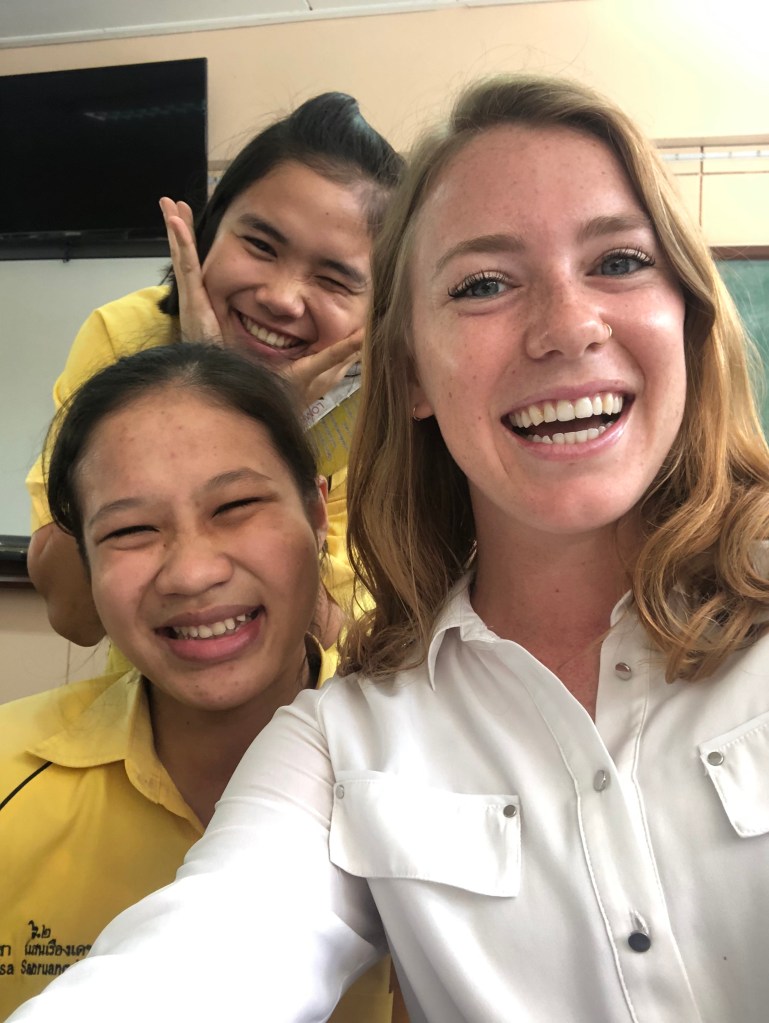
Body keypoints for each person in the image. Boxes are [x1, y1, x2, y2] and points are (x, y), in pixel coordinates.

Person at [10, 72, 769, 1022]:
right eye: (483, 283)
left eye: (618, 261)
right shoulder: (345, 741)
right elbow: (210, 949)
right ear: (406, 368)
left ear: (691, 316)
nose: (568, 327)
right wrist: (215, 388)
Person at [0, 343, 393, 1021]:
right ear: (86, 562)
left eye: (235, 505)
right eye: (130, 529)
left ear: (314, 513)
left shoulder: (426, 766)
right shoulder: (11, 772)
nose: (191, 573)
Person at [25, 91, 403, 652]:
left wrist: (259, 420)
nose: (281, 298)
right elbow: (74, 615)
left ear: (381, 308)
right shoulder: (127, 337)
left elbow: (345, 649)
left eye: (333, 280)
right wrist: (201, 379)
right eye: (260, 244)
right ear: (209, 232)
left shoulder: (385, 414)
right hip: (151, 695)